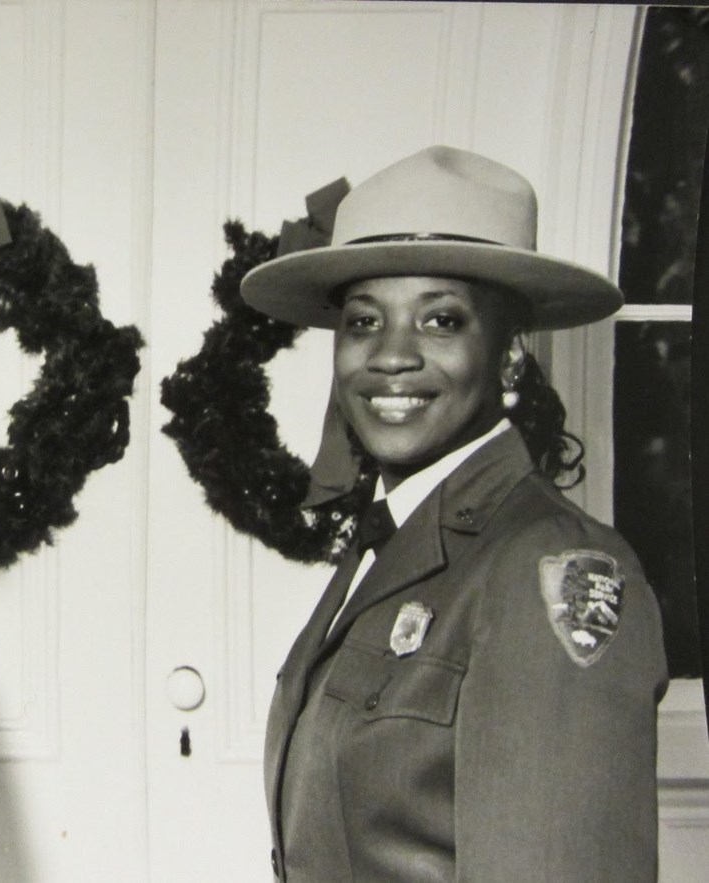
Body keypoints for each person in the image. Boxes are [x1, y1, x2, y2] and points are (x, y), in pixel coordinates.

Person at [242, 146, 668, 881]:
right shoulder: (390, 541)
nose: (391, 356)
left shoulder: (544, 568)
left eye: (440, 320)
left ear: (508, 361)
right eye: (364, 320)